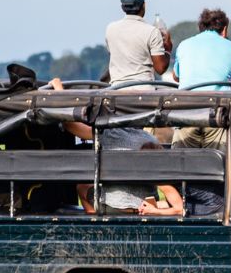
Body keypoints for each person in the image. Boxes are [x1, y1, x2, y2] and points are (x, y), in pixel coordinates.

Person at [50, 78, 183, 215]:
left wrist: (58, 88)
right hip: (145, 207)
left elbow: (69, 123)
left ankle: (94, 218)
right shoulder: (150, 140)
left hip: (114, 208)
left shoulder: (108, 133)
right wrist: (155, 210)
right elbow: (178, 206)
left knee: (82, 188)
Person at [170, 7, 231, 149]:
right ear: (224, 29)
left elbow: (176, 77)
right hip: (217, 114)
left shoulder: (184, 45)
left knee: (181, 165)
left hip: (186, 112)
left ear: (200, 27)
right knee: (219, 165)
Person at [105, 0, 173, 86]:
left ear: (122, 7)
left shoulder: (110, 29)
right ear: (144, 6)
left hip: (117, 90)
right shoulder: (152, 31)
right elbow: (160, 68)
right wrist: (168, 50)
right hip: (143, 91)